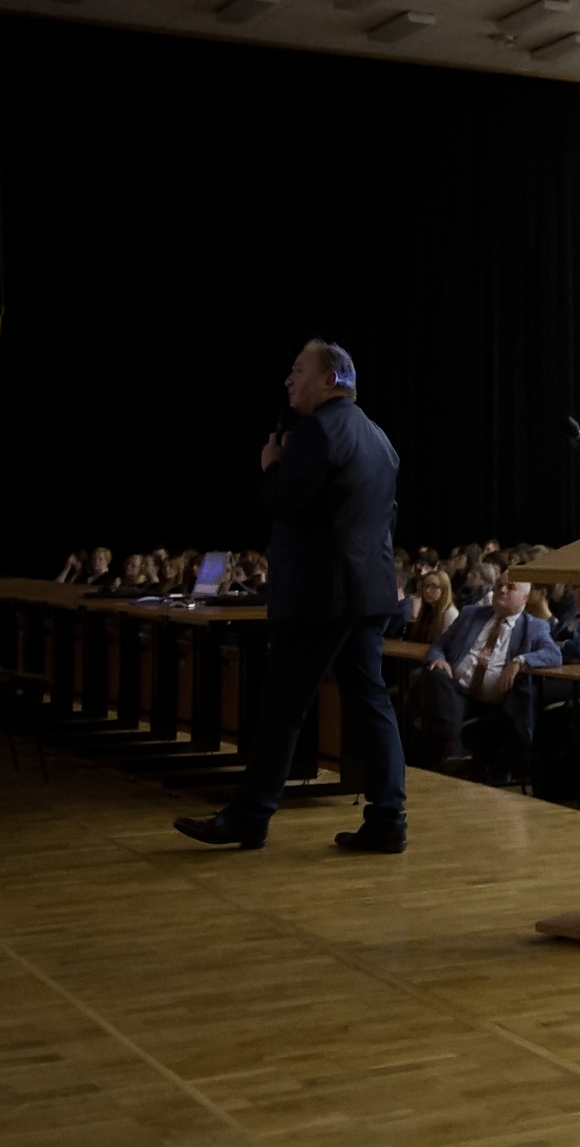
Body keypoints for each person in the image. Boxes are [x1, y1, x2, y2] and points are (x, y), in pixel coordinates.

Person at [175, 339, 408, 853]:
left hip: (321, 594)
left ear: (330, 379)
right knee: (370, 703)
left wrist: (271, 464)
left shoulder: (316, 430)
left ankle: (249, 816)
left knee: (282, 707)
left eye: (298, 370)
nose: (288, 379)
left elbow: (285, 500)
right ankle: (388, 818)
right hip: (368, 592)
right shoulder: (380, 437)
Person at [411, 574, 562, 782]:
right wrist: (438, 658)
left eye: (510, 587)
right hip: (457, 691)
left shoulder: (534, 626)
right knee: (433, 674)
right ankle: (454, 749)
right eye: (499, 585)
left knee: (430, 710)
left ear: (525, 597)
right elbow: (439, 645)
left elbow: (554, 654)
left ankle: (436, 757)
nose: (502, 590)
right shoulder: (471, 614)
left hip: (495, 702)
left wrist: (520, 661)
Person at [402, 569, 459, 646]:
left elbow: (447, 646)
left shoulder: (450, 614)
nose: (427, 591)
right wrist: (413, 618)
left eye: (433, 587)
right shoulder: (428, 609)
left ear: (444, 590)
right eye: (425, 586)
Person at [552, 583, 580, 663]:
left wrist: (561, 644)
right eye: (576, 586)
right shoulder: (568, 618)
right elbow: (549, 642)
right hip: (555, 666)